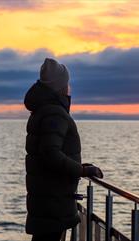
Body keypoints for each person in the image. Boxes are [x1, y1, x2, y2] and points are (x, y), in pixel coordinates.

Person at [24, 58, 103, 241]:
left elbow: (51, 151)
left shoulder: (42, 110)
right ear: (59, 87)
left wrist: (78, 165)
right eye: (66, 84)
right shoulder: (54, 113)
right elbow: (51, 154)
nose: (69, 88)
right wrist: (82, 170)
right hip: (53, 201)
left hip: (47, 199)